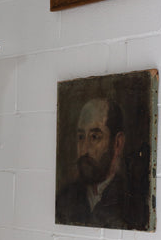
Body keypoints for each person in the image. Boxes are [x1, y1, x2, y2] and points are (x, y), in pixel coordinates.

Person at [56, 97, 140, 229]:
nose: (84, 150)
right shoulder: (63, 199)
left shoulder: (133, 202)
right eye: (81, 137)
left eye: (94, 137)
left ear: (117, 143)